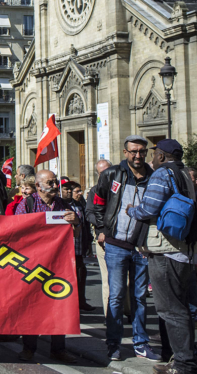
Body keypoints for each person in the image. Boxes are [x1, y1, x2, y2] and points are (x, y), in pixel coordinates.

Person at [86, 135, 160, 362]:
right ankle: (113, 344)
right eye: (133, 151)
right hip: (116, 245)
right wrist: (101, 229)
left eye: (142, 151)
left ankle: (141, 343)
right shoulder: (112, 174)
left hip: (141, 247)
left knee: (139, 297)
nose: (138, 156)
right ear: (125, 152)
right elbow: (95, 204)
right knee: (116, 296)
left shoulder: (153, 177)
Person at [126, 139, 196, 374]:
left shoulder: (162, 174)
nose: (151, 158)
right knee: (182, 307)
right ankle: (181, 358)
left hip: (165, 249)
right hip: (185, 250)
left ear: (163, 156)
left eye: (155, 154)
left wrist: (131, 210)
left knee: (170, 310)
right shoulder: (187, 173)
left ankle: (183, 364)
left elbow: (149, 209)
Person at [13, 170, 80, 364]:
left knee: (59, 304)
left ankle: (58, 349)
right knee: (31, 306)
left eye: (55, 181)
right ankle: (28, 348)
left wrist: (75, 221)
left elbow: (76, 232)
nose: (54, 185)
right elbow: (18, 229)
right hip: (33, 263)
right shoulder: (28, 203)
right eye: (50, 182)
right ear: (39, 186)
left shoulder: (63, 204)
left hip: (58, 264)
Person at [61, 179, 94, 312]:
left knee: (81, 274)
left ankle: (81, 301)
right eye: (65, 188)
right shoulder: (59, 205)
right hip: (64, 250)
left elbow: (85, 224)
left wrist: (88, 241)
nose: (68, 191)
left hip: (78, 247)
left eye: (70, 188)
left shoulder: (79, 205)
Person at [87, 159, 113, 316]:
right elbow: (89, 213)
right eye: (101, 173)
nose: (105, 176)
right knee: (108, 280)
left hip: (124, 241)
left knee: (129, 281)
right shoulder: (94, 191)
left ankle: (128, 310)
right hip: (103, 239)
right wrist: (102, 227)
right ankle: (110, 317)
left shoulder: (122, 188)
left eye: (108, 171)